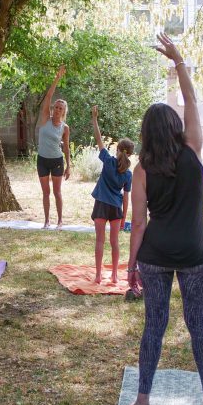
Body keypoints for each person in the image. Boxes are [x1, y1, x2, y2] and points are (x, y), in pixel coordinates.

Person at [127, 33, 203, 405]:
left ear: (147, 135)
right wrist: (179, 60)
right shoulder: (192, 150)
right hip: (196, 253)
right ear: (176, 129)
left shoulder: (141, 171)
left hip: (156, 254)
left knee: (155, 325)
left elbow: (137, 225)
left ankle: (142, 397)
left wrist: (131, 265)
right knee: (199, 323)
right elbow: (193, 102)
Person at [89, 106, 134, 284]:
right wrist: (123, 216)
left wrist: (94, 119)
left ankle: (99, 275)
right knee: (114, 242)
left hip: (101, 205)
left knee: (100, 241)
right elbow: (126, 197)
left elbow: (99, 140)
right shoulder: (128, 174)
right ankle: (115, 275)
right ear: (130, 153)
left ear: (117, 149)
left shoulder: (107, 161)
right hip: (116, 208)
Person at [35, 65, 71, 229]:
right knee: (46, 193)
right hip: (42, 160)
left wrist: (69, 166)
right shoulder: (45, 119)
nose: (57, 109)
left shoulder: (65, 128)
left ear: (63, 112)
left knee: (57, 192)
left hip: (57, 160)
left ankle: (60, 221)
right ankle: (47, 221)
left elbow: (66, 148)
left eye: (60, 108)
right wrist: (57, 78)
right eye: (56, 107)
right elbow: (48, 96)